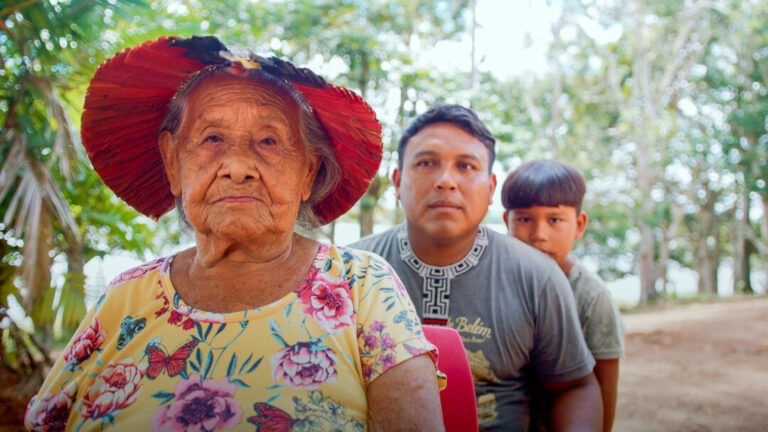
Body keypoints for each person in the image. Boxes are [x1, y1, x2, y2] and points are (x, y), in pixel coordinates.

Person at [25, 36, 444, 432]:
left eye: (268, 140)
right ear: (174, 163)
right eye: (212, 138)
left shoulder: (362, 285)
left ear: (308, 173)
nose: (237, 166)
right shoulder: (124, 297)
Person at [350, 104, 602, 431]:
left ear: (490, 189)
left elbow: (575, 387)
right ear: (398, 182)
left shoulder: (538, 277)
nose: (446, 181)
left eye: (466, 166)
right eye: (426, 163)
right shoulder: (348, 274)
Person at [501, 159, 625, 432]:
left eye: (554, 219)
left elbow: (603, 396)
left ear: (579, 225)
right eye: (524, 219)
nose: (538, 235)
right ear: (505, 222)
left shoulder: (592, 298)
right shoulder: (494, 281)